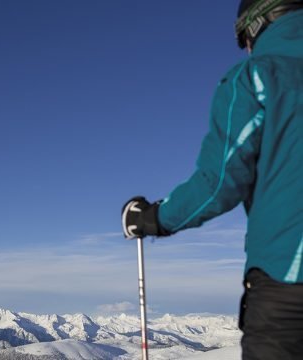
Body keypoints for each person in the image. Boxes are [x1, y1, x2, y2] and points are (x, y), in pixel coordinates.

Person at [120, 0, 303, 359]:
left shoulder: (258, 77)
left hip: (288, 280)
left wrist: (152, 218)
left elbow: (219, 182)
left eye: (241, 39)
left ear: (255, 26)